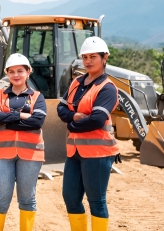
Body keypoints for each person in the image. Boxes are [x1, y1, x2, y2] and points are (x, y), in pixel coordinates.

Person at [57, 37, 121, 231]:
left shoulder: (107, 88)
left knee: (96, 200)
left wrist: (71, 124)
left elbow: (97, 120)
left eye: (93, 57)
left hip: (98, 152)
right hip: (74, 151)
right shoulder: (76, 82)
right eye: (85, 57)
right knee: (70, 197)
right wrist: (74, 116)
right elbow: (61, 110)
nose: (88, 61)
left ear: (105, 58)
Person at [0, 53, 47, 231]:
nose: (16, 75)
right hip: (1, 155)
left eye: (20, 70)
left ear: (29, 72)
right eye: (11, 71)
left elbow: (37, 122)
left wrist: (5, 119)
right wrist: (19, 115)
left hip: (30, 155)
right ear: (7, 73)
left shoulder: (37, 97)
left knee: (27, 199)